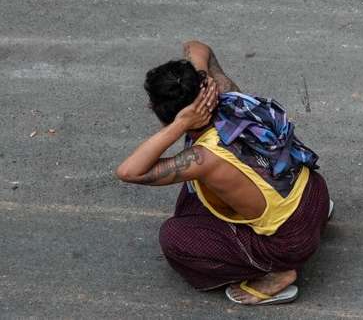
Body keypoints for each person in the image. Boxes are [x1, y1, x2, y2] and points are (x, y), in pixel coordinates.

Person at [116, 40, 332, 306]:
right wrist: (202, 76)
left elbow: (129, 171)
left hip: (292, 242)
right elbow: (196, 46)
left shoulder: (204, 158)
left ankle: (278, 273)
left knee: (174, 237)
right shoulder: (230, 96)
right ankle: (314, 221)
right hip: (315, 195)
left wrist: (180, 125)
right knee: (194, 195)